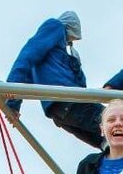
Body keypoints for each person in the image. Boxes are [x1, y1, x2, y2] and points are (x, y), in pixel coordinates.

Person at [5, 11, 103, 148]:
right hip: (69, 100)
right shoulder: (55, 26)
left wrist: (14, 104)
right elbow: (27, 55)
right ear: (70, 28)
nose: (69, 42)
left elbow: (26, 76)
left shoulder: (50, 62)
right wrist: (11, 96)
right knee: (119, 118)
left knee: (106, 141)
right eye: (70, 38)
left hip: (58, 112)